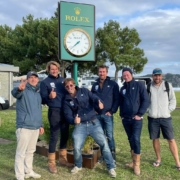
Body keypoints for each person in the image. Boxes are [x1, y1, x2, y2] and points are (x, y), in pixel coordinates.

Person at [63, 78, 117, 178]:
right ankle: (78, 165)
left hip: (93, 123)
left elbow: (94, 97)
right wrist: (73, 121)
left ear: (74, 85)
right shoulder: (66, 100)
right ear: (65, 88)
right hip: (80, 126)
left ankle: (111, 167)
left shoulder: (84, 91)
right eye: (67, 86)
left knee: (104, 144)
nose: (69, 87)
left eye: (71, 85)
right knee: (77, 146)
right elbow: (67, 115)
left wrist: (99, 102)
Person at [40, 61, 73, 174]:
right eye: (52, 69)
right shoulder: (45, 82)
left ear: (59, 69)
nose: (54, 70)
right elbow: (43, 99)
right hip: (54, 111)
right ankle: (51, 163)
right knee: (54, 136)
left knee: (65, 135)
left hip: (66, 111)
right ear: (48, 70)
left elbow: (71, 92)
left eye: (56, 68)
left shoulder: (63, 80)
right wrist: (49, 96)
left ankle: (63, 160)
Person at [12, 71, 44, 180]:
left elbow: (38, 110)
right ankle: (20, 176)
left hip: (35, 127)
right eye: (31, 77)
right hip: (24, 126)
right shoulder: (23, 89)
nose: (33, 79)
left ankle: (28, 171)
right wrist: (19, 89)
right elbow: (15, 93)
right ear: (27, 79)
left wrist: (41, 125)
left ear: (38, 80)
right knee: (21, 153)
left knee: (30, 151)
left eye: (35, 77)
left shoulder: (37, 93)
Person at [147, 68, 180, 169]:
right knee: (155, 139)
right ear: (153, 76)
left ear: (162, 76)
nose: (157, 77)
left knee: (171, 139)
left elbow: (173, 100)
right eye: (155, 75)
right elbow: (145, 101)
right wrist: (149, 110)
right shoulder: (148, 87)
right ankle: (158, 159)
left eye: (159, 75)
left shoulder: (167, 85)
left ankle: (178, 163)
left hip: (166, 118)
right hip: (153, 118)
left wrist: (168, 110)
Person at [119, 67, 150, 175]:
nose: (126, 76)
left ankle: (137, 165)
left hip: (136, 119)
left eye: (127, 74)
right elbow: (121, 103)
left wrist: (140, 114)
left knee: (136, 139)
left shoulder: (139, 85)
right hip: (126, 119)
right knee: (130, 139)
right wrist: (121, 115)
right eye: (124, 75)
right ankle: (133, 162)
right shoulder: (122, 88)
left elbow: (146, 100)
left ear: (131, 75)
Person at [91, 65, 119, 162]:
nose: (101, 73)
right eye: (100, 71)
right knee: (101, 136)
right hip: (97, 115)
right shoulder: (95, 84)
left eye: (103, 71)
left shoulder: (113, 84)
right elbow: (92, 98)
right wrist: (94, 109)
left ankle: (112, 156)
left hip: (107, 115)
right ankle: (103, 155)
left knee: (110, 136)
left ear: (107, 73)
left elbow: (116, 99)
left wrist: (112, 111)